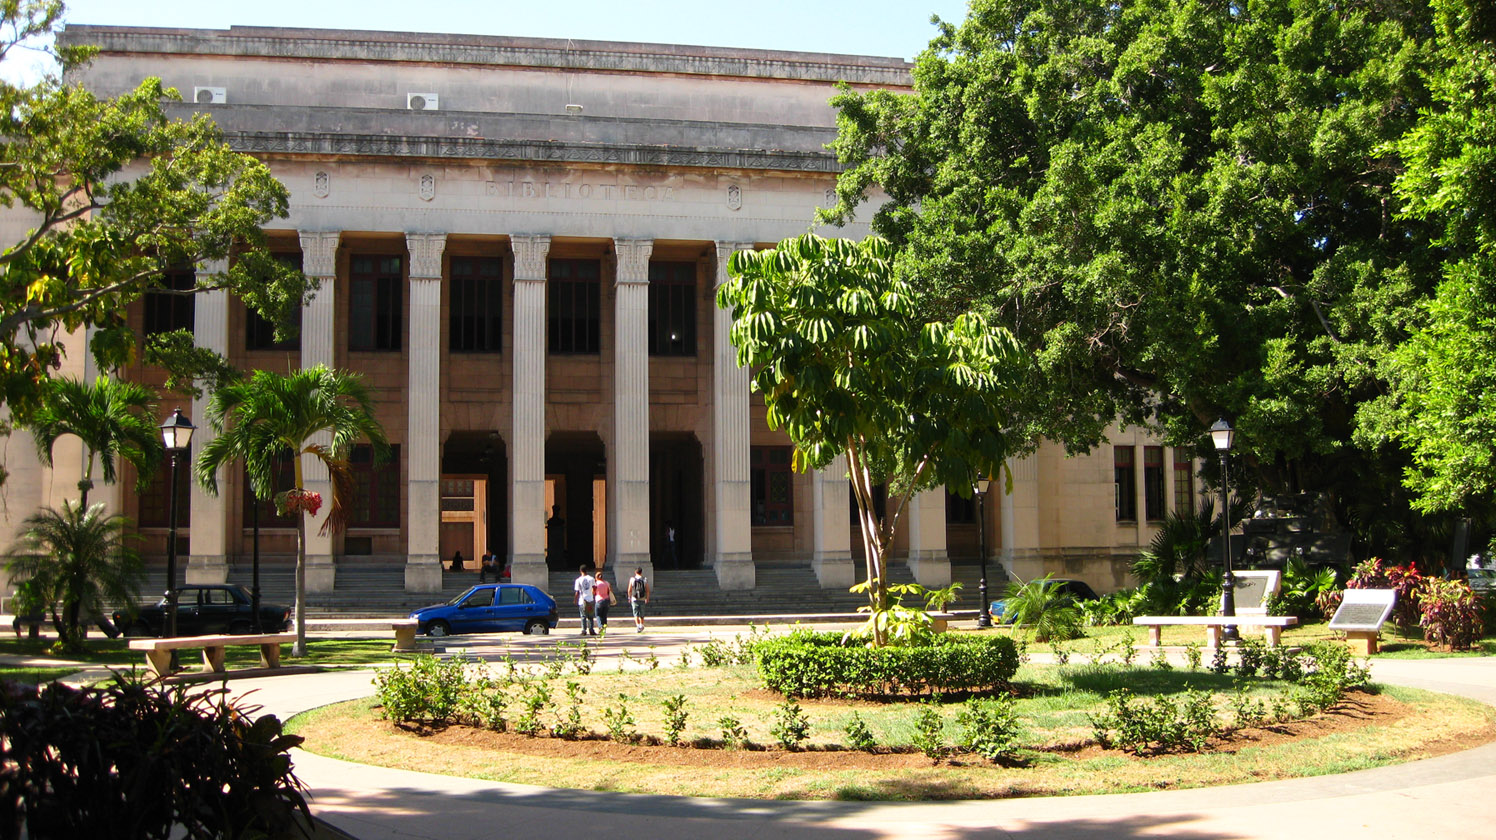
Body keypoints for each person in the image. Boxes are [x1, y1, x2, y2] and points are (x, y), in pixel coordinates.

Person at [573, 564, 596, 636]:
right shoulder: (591, 579)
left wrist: (575, 600)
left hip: (582, 600)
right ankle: (591, 629)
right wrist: (593, 594)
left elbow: (577, 591)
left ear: (580, 571)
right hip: (590, 599)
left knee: (583, 616)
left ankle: (584, 630)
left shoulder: (578, 580)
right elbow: (594, 588)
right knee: (590, 616)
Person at [628, 567, 650, 633]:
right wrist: (647, 598)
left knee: (635, 613)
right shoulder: (644, 579)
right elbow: (647, 590)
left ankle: (638, 626)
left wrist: (629, 597)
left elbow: (629, 590)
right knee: (642, 613)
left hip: (634, 598)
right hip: (642, 598)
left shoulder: (632, 579)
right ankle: (641, 625)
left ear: (635, 572)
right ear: (641, 572)